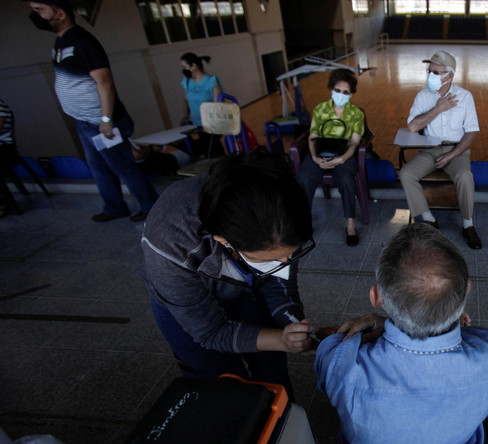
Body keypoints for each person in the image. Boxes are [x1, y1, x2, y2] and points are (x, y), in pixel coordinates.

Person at [314, 223, 488, 444]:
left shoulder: (342, 367)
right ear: (466, 291)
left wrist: (382, 324)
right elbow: (472, 336)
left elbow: (329, 344)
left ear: (376, 297)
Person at [141, 150, 316, 391]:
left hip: (244, 287)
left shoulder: (280, 208)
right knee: (223, 381)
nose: (287, 263)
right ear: (224, 242)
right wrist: (280, 339)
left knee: (272, 369)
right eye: (269, 260)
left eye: (292, 254)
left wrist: (293, 322)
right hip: (187, 308)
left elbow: (279, 281)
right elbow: (211, 332)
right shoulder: (169, 244)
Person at [27, 0, 159, 222]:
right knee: (98, 167)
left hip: (103, 122)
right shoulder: (60, 41)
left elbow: (104, 81)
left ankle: (151, 208)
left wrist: (106, 119)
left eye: (39, 10)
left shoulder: (82, 41)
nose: (36, 15)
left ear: (59, 13)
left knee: (124, 166)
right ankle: (114, 207)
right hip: (84, 121)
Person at [399, 50, 483, 249]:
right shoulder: (423, 96)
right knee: (406, 173)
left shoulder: (465, 97)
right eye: (429, 71)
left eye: (436, 73)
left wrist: (451, 155)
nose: (431, 76)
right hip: (430, 149)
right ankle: (428, 219)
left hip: (456, 151)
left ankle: (468, 225)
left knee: (465, 176)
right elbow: (412, 127)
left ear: (450, 76)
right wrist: (438, 108)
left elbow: (471, 133)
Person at [296, 69, 365, 246]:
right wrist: (314, 157)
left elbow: (355, 142)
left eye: (346, 92)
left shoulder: (356, 113)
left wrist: (342, 159)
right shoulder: (321, 109)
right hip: (321, 152)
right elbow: (312, 137)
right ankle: (304, 222)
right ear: (331, 89)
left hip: (344, 152)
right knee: (304, 177)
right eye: (337, 90)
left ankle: (350, 225)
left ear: (351, 94)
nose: (341, 95)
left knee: (346, 179)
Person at [180, 52, 223, 157]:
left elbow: (219, 104)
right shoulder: (187, 81)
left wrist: (214, 122)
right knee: (202, 149)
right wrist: (185, 116)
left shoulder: (211, 81)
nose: (184, 70)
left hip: (210, 124)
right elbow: (186, 99)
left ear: (193, 66)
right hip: (197, 123)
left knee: (213, 150)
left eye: (185, 67)